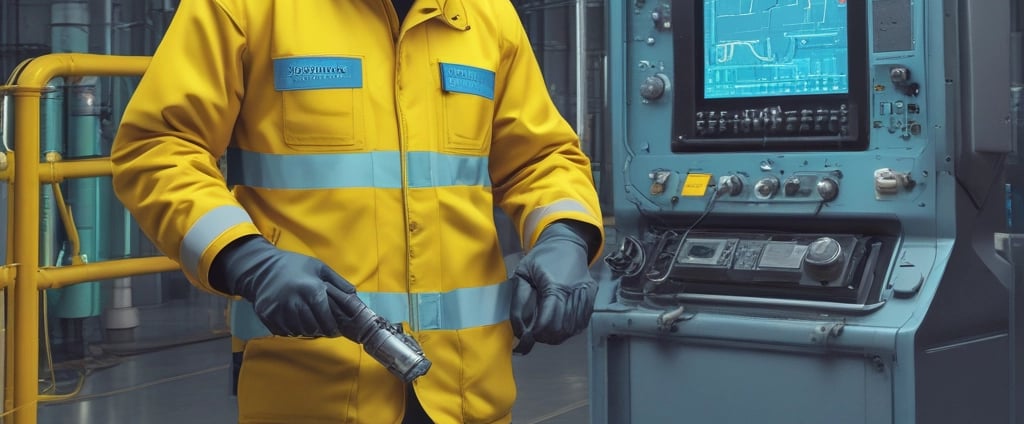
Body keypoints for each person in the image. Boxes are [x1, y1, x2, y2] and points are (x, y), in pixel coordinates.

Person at [110, 0, 604, 422]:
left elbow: (540, 158)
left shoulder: (485, 14)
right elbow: (160, 148)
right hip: (312, 395)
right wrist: (244, 258)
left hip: (468, 398)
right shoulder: (246, 8)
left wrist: (566, 235)